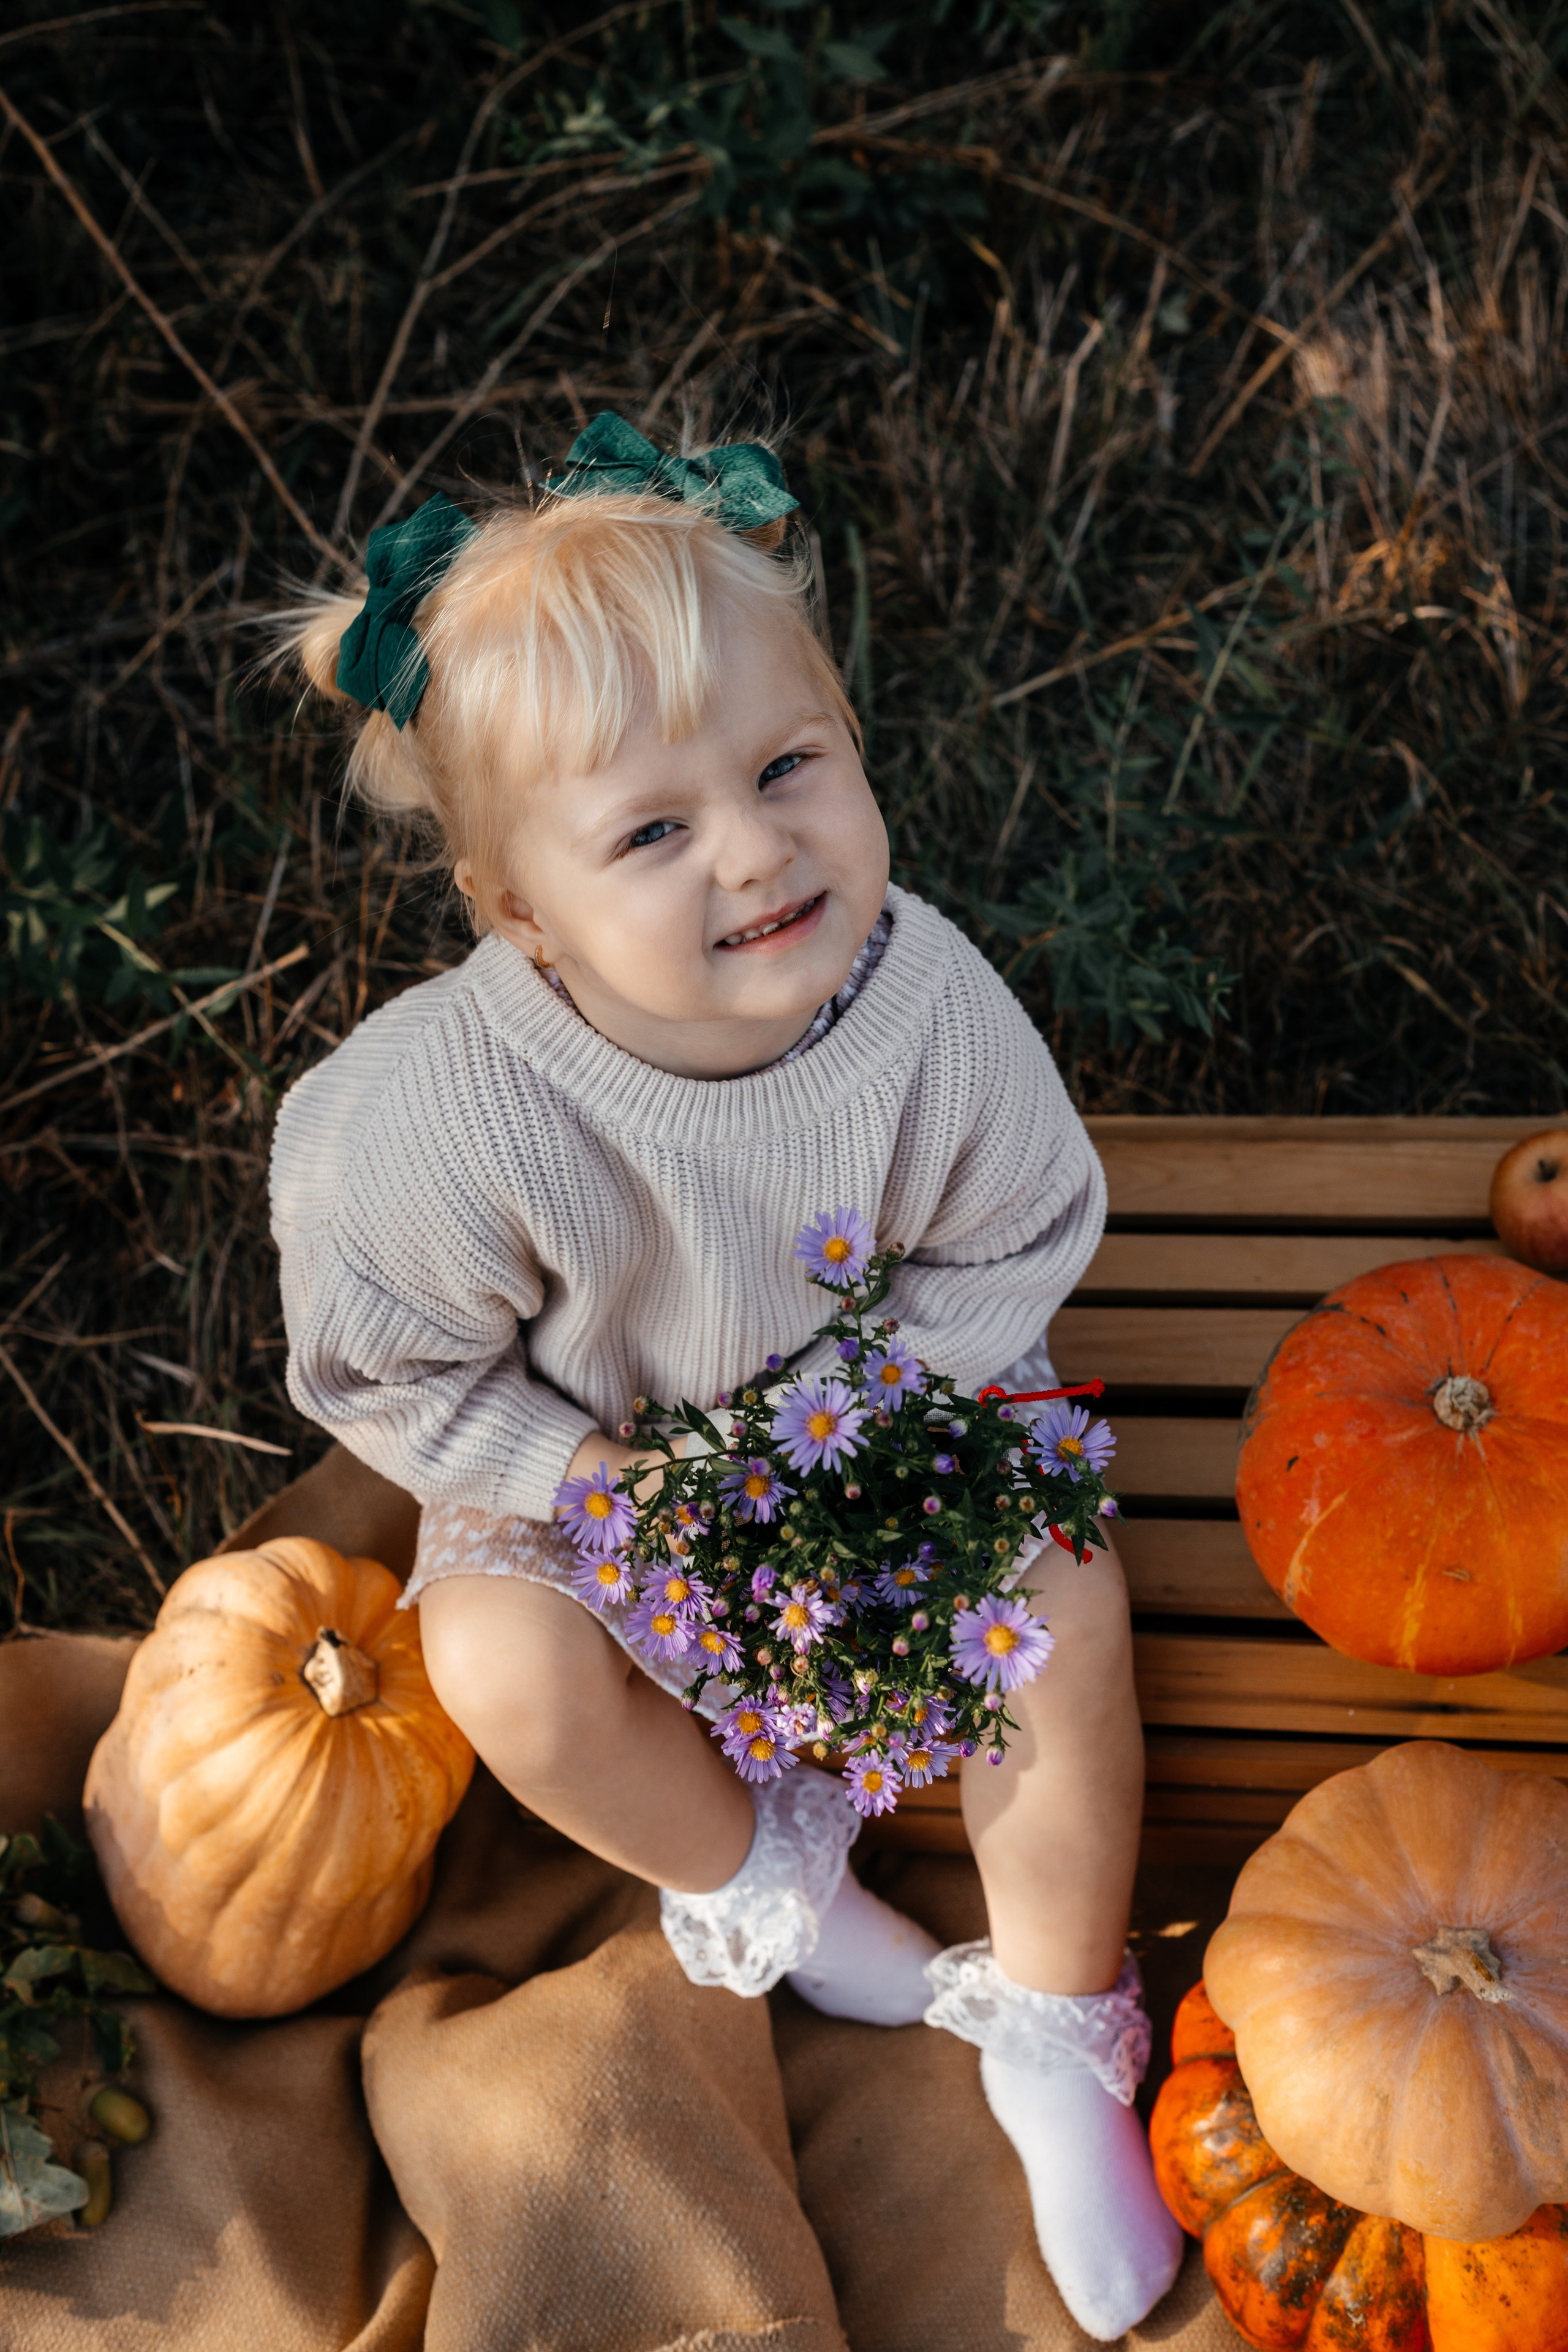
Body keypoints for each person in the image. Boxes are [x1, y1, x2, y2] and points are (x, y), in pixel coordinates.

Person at [268, 415, 1183, 2341]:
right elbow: (389, 1364)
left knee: (1061, 1615)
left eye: (790, 769)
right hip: (615, 1482)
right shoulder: (446, 1122)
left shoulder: (921, 1009)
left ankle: (1048, 2012)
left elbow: (1012, 1234)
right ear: (523, 909)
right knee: (509, 1670)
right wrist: (595, 1474)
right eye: (655, 831)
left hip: (894, 1435)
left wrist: (852, 1450)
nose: (758, 853)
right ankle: (781, 1891)